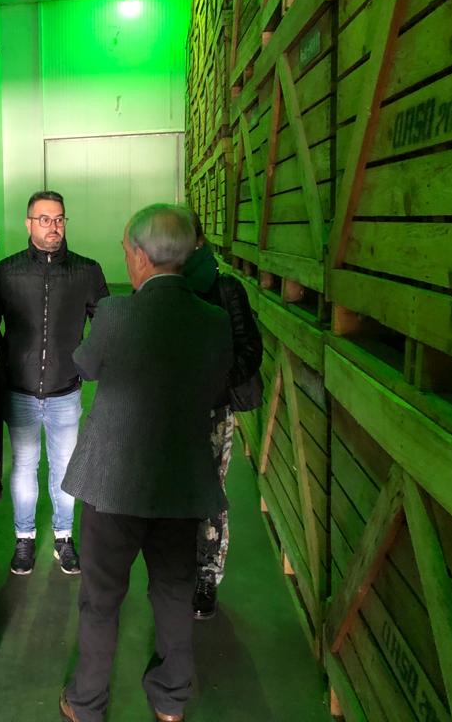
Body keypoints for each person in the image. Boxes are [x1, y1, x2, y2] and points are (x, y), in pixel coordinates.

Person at [58, 205, 233, 722]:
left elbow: (86, 366)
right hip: (179, 482)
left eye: (125, 251)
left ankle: (87, 701)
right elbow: (216, 384)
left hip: (112, 482)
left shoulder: (116, 314)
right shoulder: (214, 320)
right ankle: (172, 699)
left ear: (139, 256)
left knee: (101, 596)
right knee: (174, 592)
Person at [0, 190, 108, 575]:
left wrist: (84, 365)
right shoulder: (7, 272)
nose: (53, 226)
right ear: (28, 223)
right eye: (44, 219)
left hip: (65, 391)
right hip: (21, 391)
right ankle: (24, 538)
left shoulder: (86, 271)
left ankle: (63, 537)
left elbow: (104, 325)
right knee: (24, 467)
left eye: (59, 219)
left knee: (63, 468)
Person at [182, 212, 262, 620]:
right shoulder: (158, 286)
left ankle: (207, 574)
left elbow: (249, 348)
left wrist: (216, 381)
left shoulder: (225, 288)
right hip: (170, 413)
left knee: (211, 492)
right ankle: (178, 568)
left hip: (212, 411)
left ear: (198, 240)